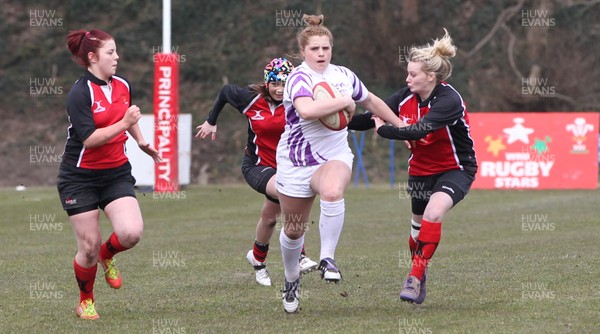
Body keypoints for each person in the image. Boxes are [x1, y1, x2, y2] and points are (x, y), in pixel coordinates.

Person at [276, 14, 402, 313]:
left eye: (326, 48)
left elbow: (370, 101)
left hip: (334, 155)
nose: (321, 54)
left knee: (333, 192)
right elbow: (306, 110)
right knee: (294, 229)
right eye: (314, 49)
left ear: (332, 49)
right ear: (303, 51)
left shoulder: (344, 75)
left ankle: (327, 258)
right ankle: (291, 278)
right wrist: (345, 102)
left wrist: (402, 128)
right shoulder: (298, 78)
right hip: (296, 161)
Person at [58, 29, 161, 320]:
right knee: (87, 247)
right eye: (110, 53)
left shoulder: (123, 84)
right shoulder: (80, 92)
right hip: (79, 177)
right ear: (92, 58)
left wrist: (142, 141)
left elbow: (127, 113)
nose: (117, 57)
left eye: (116, 52)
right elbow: (90, 139)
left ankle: (108, 254)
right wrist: (126, 122)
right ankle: (85, 300)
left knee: (131, 233)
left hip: (115, 172)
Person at [372, 29, 478, 304]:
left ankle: (414, 276)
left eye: (412, 75)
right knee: (416, 230)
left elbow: (418, 131)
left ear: (430, 76)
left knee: (434, 212)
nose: (407, 79)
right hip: (419, 172)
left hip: (455, 169)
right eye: (407, 74)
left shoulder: (449, 100)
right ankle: (420, 275)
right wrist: (336, 116)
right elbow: (368, 117)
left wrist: (383, 131)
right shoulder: (405, 96)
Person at [195, 58, 319, 287]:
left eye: (284, 83)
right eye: (274, 83)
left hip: (286, 168)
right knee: (287, 191)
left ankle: (257, 259)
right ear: (266, 83)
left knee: (270, 218)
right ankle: (300, 255)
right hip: (256, 166)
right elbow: (225, 91)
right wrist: (211, 121)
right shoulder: (251, 100)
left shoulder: (300, 104)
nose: (279, 89)